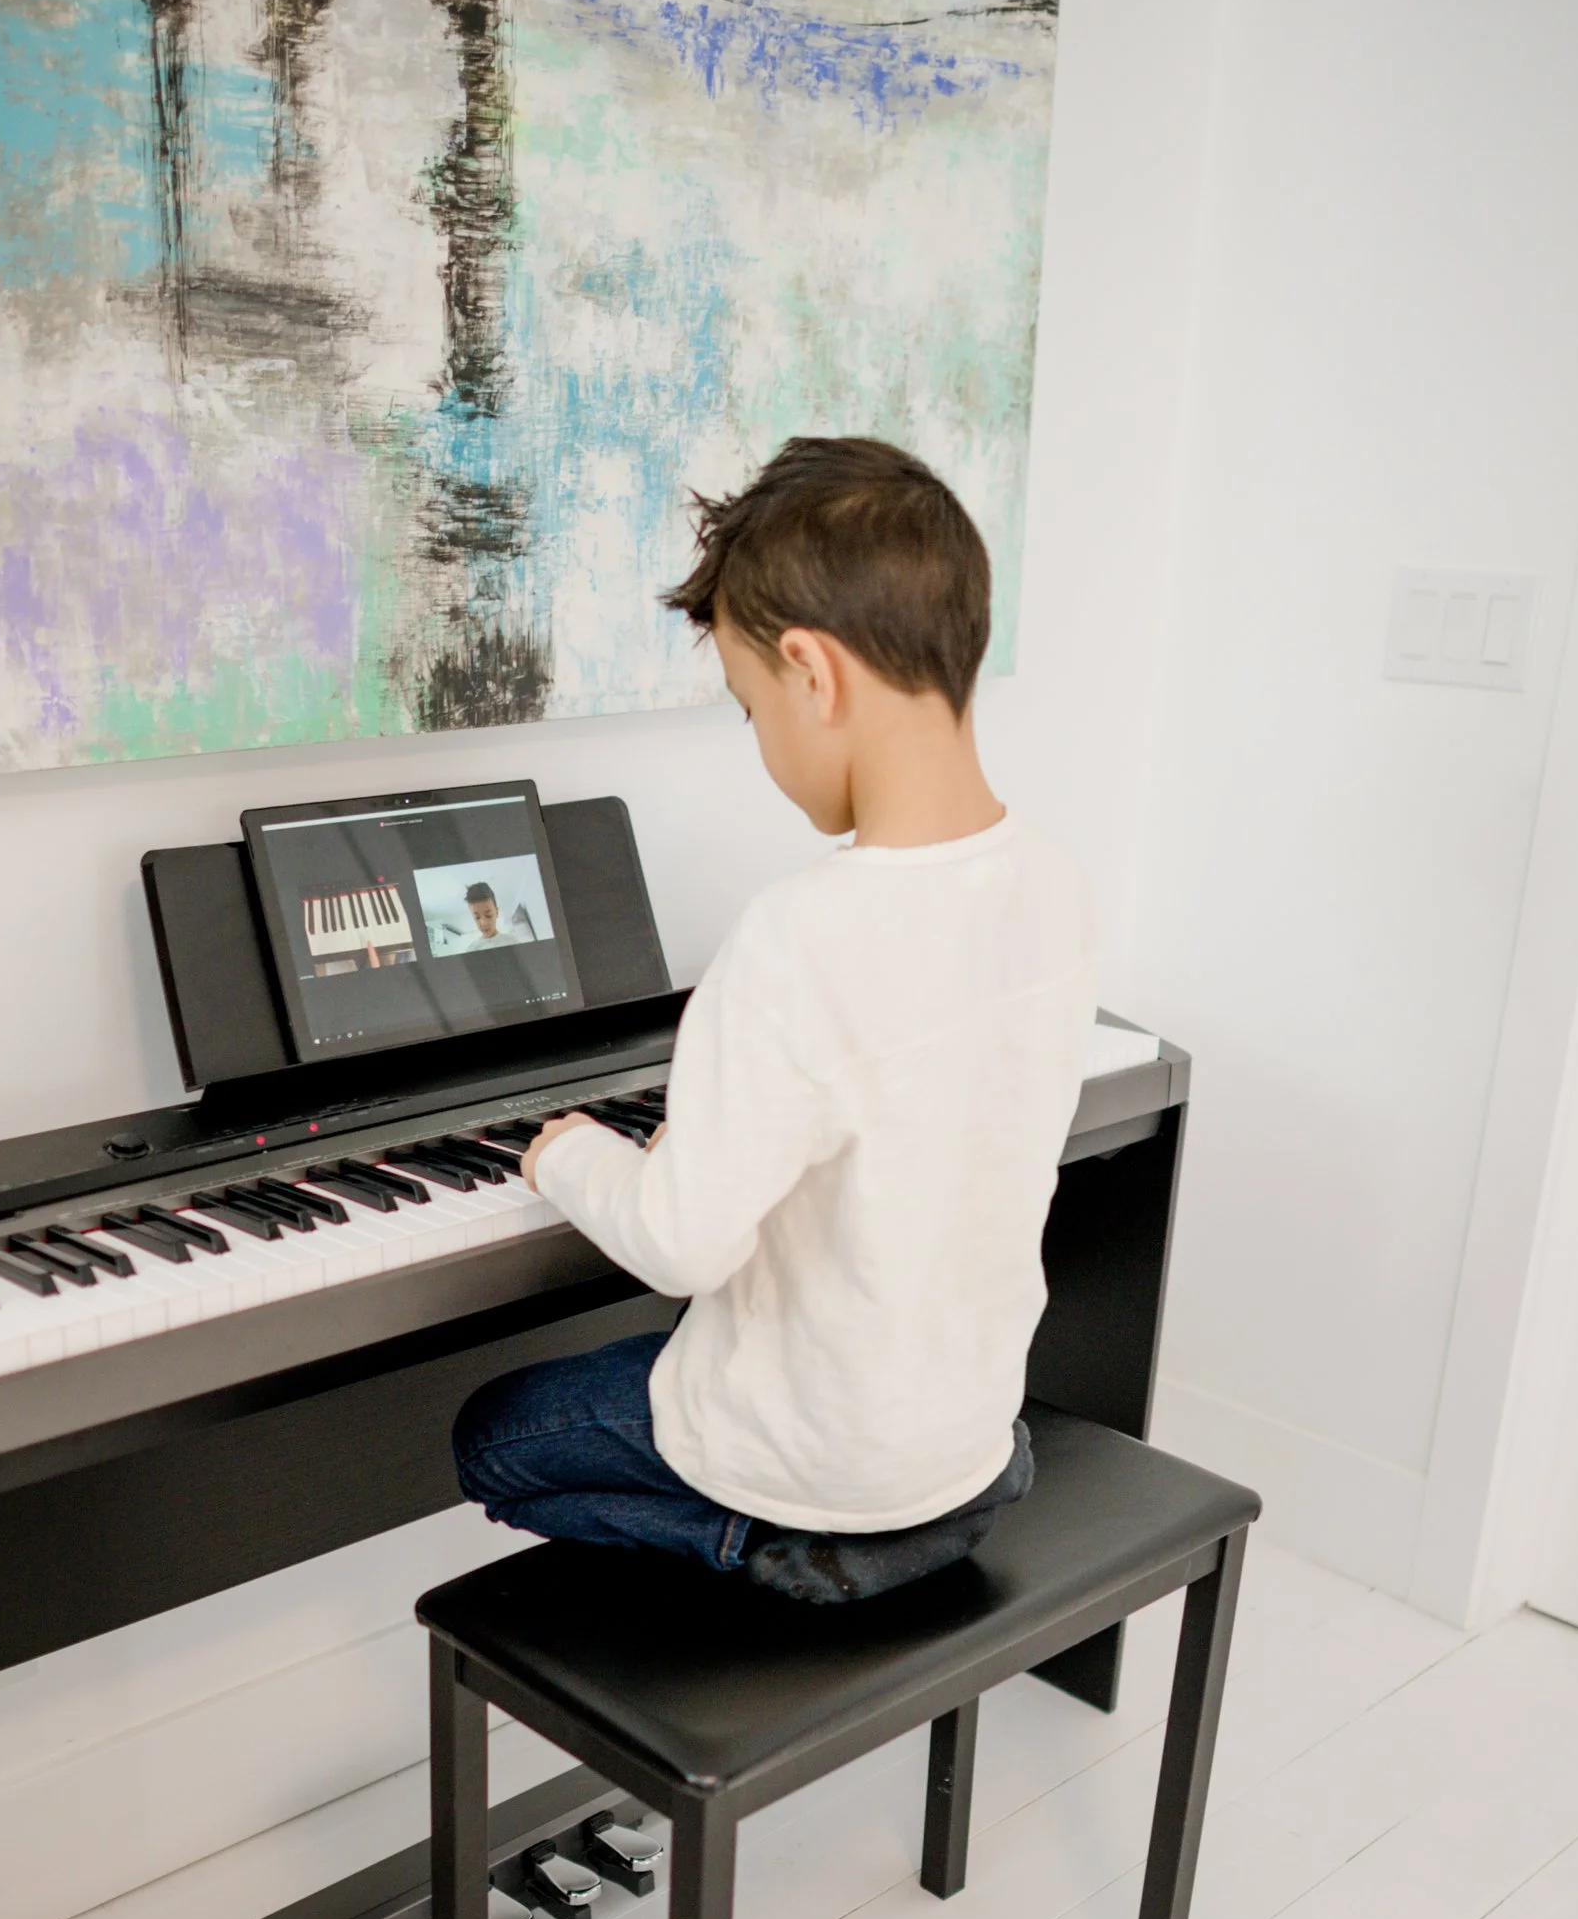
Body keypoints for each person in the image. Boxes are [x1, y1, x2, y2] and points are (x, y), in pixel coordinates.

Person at [452, 435, 1100, 1603]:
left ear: (813, 673)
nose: (761, 746)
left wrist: (569, 1154)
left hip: (825, 1476)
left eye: (749, 709)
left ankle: (771, 1553)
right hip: (974, 1450)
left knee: (491, 1433)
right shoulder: (1052, 878)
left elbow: (680, 1245)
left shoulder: (801, 932)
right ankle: (824, 1546)